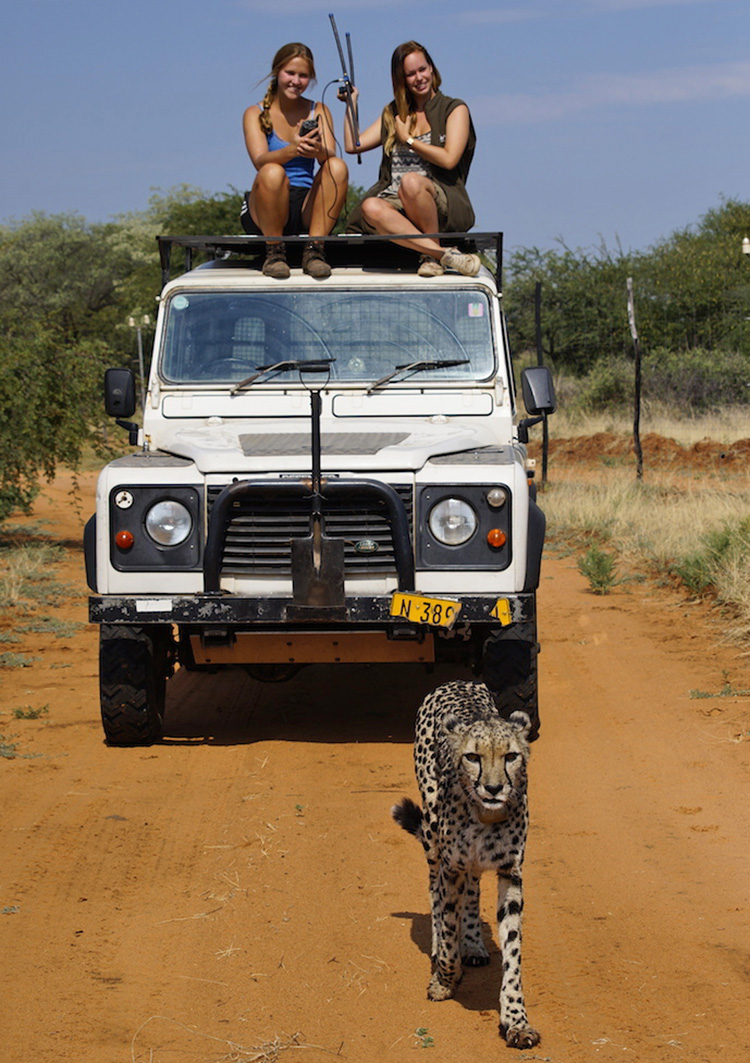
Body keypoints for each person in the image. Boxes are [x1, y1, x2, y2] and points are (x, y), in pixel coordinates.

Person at [341, 41, 479, 277]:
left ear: (432, 69)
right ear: (401, 79)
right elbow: (353, 145)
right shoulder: (393, 112)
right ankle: (440, 254)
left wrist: (409, 141)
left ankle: (429, 256)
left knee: (411, 182)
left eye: (422, 70)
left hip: (438, 198)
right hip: (396, 200)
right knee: (370, 205)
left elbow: (448, 160)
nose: (419, 78)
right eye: (410, 74)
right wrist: (350, 103)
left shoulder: (454, 109)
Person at [242, 43, 348, 279]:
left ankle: (314, 250)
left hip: (305, 203)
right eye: (290, 73)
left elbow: (330, 154)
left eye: (303, 76)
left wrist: (316, 150)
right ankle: (274, 252)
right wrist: (294, 150)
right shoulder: (254, 113)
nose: (296, 81)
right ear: (277, 72)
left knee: (337, 166)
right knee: (272, 171)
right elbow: (259, 161)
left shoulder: (318, 110)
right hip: (267, 201)